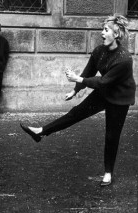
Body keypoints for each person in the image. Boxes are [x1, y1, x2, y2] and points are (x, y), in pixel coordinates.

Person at [20, 14, 136, 187]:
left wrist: (77, 80)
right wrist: (74, 91)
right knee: (76, 113)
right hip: (104, 91)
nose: (101, 33)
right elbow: (88, 73)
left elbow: (103, 81)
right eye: (102, 30)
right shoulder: (99, 51)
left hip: (119, 98)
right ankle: (41, 132)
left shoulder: (124, 59)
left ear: (116, 34)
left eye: (105, 30)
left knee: (112, 136)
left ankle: (108, 173)